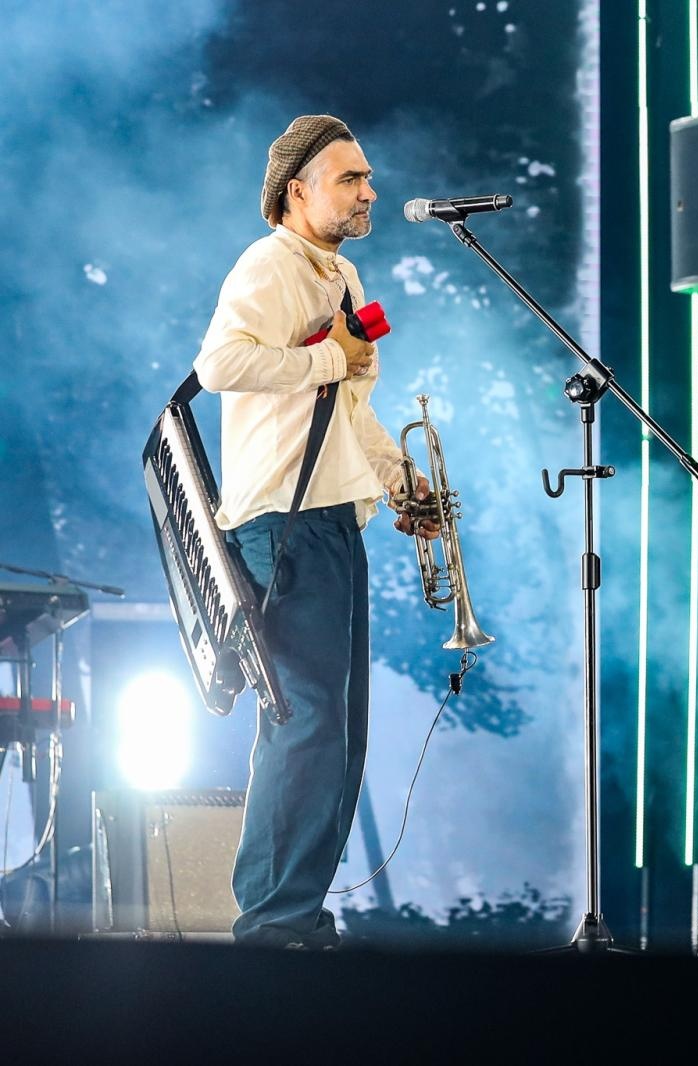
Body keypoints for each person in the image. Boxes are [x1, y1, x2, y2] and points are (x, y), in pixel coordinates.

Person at [194, 114, 436, 948]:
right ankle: (273, 922)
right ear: (298, 190)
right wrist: (327, 358)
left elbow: (347, 408)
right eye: (350, 179)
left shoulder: (341, 274)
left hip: (333, 520)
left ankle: (297, 913)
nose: (370, 191)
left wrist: (399, 479)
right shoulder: (268, 265)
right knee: (305, 725)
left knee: (339, 730)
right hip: (283, 527)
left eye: (367, 177)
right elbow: (222, 364)